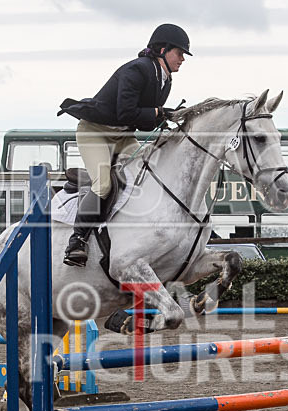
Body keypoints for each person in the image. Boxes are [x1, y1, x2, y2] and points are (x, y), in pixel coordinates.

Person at [57, 23, 191, 267]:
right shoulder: (138, 70)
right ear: (163, 49)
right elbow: (126, 112)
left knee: (146, 173)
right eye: (179, 53)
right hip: (95, 133)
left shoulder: (165, 81)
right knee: (104, 184)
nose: (182, 59)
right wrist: (157, 111)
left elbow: (143, 124)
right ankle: (77, 241)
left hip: (122, 136)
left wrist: (162, 117)